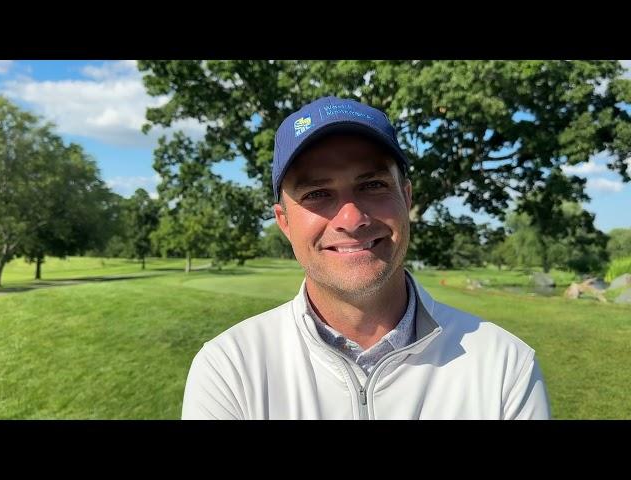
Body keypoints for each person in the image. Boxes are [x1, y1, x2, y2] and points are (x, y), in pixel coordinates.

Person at [182, 96, 551, 420]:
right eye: (316, 194)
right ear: (284, 222)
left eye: (372, 185)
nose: (351, 218)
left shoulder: (504, 364)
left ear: (406, 198)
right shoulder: (230, 367)